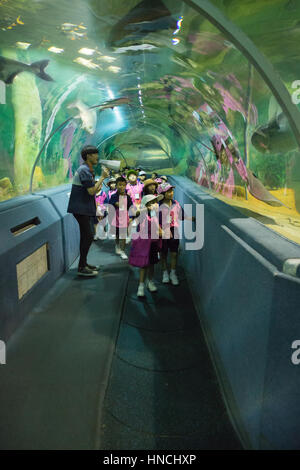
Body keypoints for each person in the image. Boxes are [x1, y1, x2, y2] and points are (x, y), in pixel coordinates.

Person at [67, 145, 109, 276]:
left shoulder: (88, 170)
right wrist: (102, 177)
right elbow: (91, 191)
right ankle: (81, 267)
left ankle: (83, 264)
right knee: (89, 236)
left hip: (85, 208)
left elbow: (94, 190)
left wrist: (95, 209)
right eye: (95, 154)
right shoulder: (84, 170)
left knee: (86, 236)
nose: (97, 156)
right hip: (80, 208)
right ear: (88, 156)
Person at [158, 182, 195, 285]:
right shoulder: (158, 206)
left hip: (174, 230)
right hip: (163, 231)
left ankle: (173, 273)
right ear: (162, 194)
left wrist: (191, 218)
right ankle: (165, 273)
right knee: (163, 253)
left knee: (174, 253)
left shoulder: (176, 204)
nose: (171, 193)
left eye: (171, 191)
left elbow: (181, 215)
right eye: (168, 191)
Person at [129, 194, 163, 298]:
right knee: (144, 265)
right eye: (152, 203)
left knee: (152, 263)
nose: (155, 205)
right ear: (146, 205)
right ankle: (141, 285)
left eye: (155, 202)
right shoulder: (143, 216)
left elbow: (157, 227)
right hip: (144, 244)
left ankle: (150, 281)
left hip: (153, 243)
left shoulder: (155, 215)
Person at [109, 176, 137, 260]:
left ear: (126, 186)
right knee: (117, 235)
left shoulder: (128, 197)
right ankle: (117, 245)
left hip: (125, 220)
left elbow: (131, 207)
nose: (122, 187)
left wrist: (132, 216)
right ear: (116, 186)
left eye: (123, 185)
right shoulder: (114, 196)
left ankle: (122, 251)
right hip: (116, 220)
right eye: (120, 185)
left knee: (123, 236)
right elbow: (111, 205)